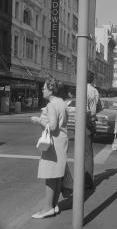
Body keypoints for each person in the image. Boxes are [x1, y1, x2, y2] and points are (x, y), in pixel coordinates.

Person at [31, 76, 68, 219]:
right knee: (57, 176)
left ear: (51, 89)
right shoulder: (61, 103)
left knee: (50, 177)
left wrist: (38, 120)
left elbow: (52, 126)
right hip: (61, 142)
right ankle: (53, 205)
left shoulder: (52, 105)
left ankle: (47, 208)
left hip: (52, 144)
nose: (42, 90)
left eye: (44, 88)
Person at [85, 72, 100, 188]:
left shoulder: (81, 89)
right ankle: (88, 179)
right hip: (92, 120)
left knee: (84, 152)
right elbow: (99, 107)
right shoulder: (95, 91)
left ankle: (87, 181)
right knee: (88, 152)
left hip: (84, 120)